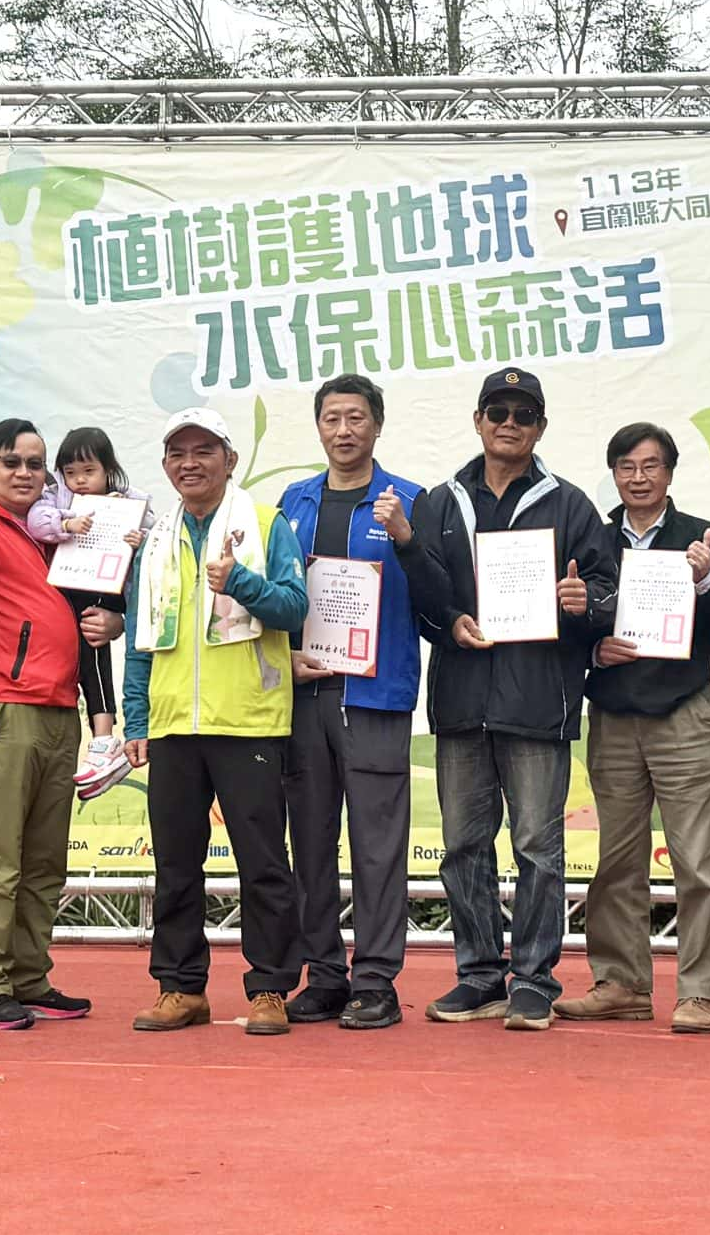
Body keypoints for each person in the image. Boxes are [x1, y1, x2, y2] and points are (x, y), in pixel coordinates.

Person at [390, 366, 618, 1031]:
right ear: (478, 419)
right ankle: (479, 974)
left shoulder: (570, 503)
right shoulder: (438, 502)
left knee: (538, 848)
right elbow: (423, 595)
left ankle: (536, 978)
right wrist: (449, 621)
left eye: (523, 413)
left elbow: (604, 593)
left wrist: (584, 604)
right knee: (463, 844)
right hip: (462, 699)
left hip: (537, 701)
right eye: (498, 411)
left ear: (540, 426)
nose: (509, 422)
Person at [122, 408, 311, 1037]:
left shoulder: (264, 523)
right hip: (174, 724)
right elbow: (139, 642)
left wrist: (243, 583)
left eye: (204, 451)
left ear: (229, 460)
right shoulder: (155, 542)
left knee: (262, 863)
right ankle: (180, 987)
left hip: (249, 721)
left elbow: (293, 607)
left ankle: (269, 990)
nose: (190, 463)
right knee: (176, 863)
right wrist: (135, 717)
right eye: (178, 453)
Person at [555, 423, 710, 1034]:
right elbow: (568, 625)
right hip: (613, 715)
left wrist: (706, 579)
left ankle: (698, 992)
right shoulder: (592, 538)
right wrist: (591, 646)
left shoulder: (703, 537)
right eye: (627, 468)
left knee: (696, 862)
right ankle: (621, 983)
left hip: (683, 712)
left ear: (670, 472)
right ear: (613, 473)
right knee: (616, 860)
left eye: (651, 466)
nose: (639, 478)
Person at [276, 374, 424, 1031]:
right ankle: (325, 973)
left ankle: (376, 979)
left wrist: (407, 539)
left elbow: (437, 596)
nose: (344, 429)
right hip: (305, 695)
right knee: (309, 841)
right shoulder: (293, 501)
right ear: (319, 427)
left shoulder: (410, 502)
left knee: (377, 845)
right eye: (332, 417)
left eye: (356, 416)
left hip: (375, 697)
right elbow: (278, 594)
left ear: (377, 425)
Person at [0, 417, 95, 1032]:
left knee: (45, 859)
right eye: (11, 462)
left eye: (35, 464)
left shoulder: (53, 531)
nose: (24, 473)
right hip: (6, 705)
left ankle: (29, 977)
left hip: (62, 709)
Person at [23, 425, 144, 800]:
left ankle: (105, 737)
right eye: (70, 472)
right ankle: (103, 739)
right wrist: (66, 523)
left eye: (88, 472)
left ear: (108, 469)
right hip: (71, 592)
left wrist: (139, 540)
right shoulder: (57, 498)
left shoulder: (128, 501)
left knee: (96, 648)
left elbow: (155, 540)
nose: (79, 481)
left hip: (108, 593)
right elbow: (37, 521)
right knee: (88, 658)